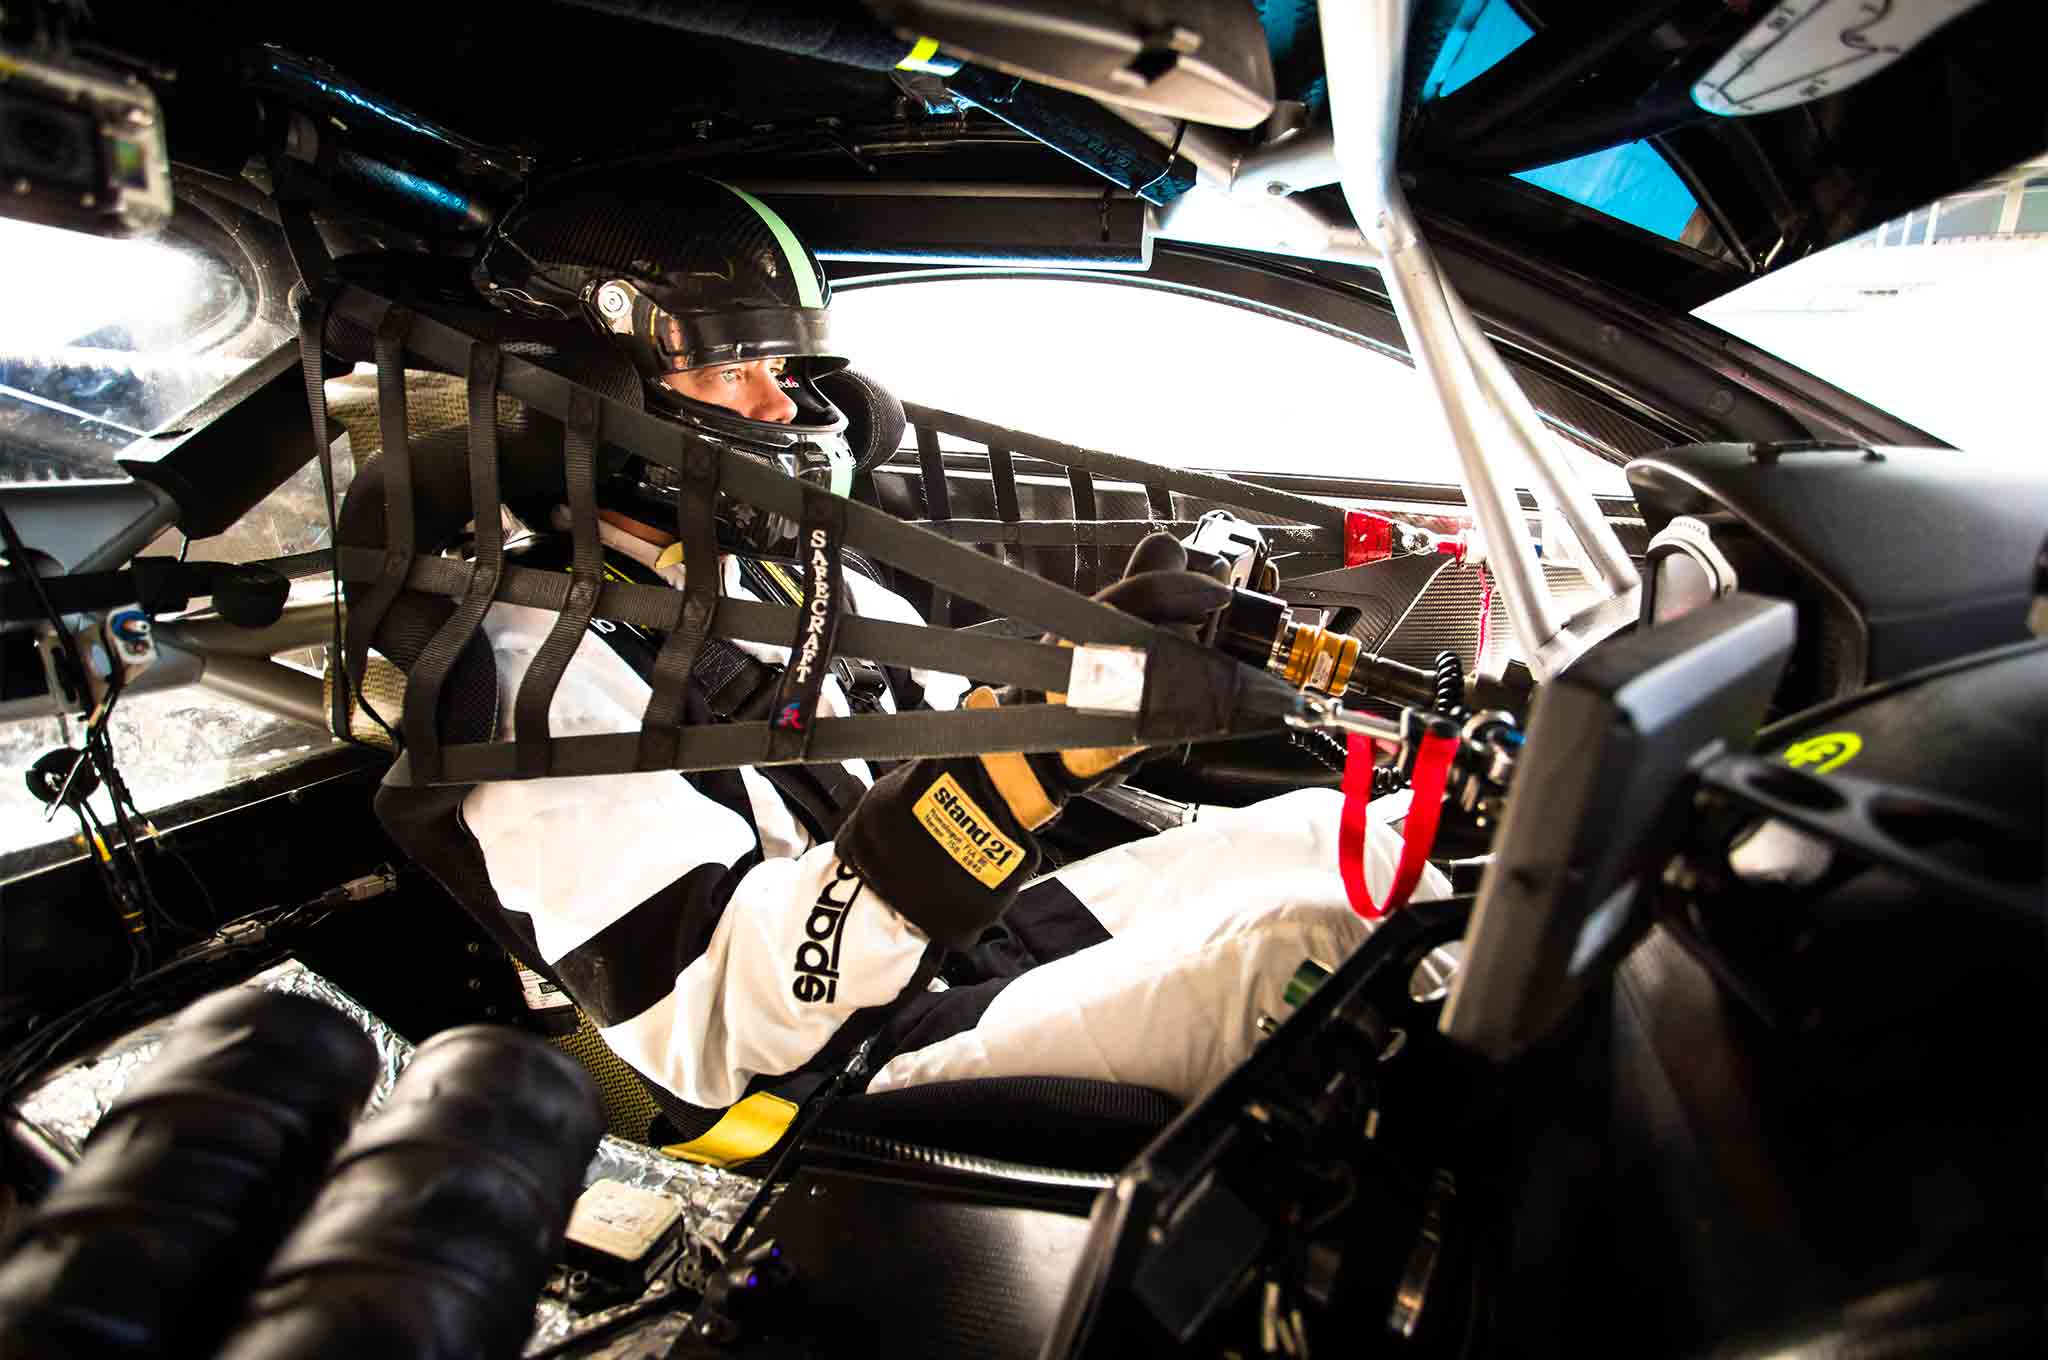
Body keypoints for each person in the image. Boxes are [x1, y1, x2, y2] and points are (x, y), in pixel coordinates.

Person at [462, 177, 1445, 1154]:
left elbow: (943, 715)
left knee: (1357, 840)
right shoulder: (534, 668)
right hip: (845, 1056)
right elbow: (707, 1021)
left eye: (782, 366)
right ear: (591, 395)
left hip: (968, 938)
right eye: (733, 370)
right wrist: (1031, 763)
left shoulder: (767, 568)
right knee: (1319, 941)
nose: (778, 406)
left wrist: (1074, 681)